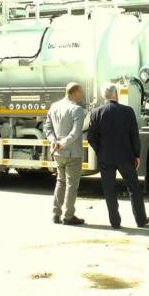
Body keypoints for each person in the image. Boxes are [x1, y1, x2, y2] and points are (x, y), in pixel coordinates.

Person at [87, 84, 149, 229]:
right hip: (125, 157)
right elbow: (134, 135)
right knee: (134, 187)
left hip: (105, 158)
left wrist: (100, 151)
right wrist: (136, 154)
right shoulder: (128, 111)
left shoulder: (96, 112)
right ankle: (141, 219)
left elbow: (91, 137)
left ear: (104, 96)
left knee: (109, 189)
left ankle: (115, 222)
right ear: (116, 94)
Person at [44, 82, 86, 225]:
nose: (82, 95)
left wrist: (53, 141)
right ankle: (68, 216)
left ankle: (55, 214)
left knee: (60, 182)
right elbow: (75, 133)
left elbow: (47, 128)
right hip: (72, 153)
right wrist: (63, 143)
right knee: (71, 185)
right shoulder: (77, 110)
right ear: (74, 93)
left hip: (57, 152)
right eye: (80, 92)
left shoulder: (54, 106)